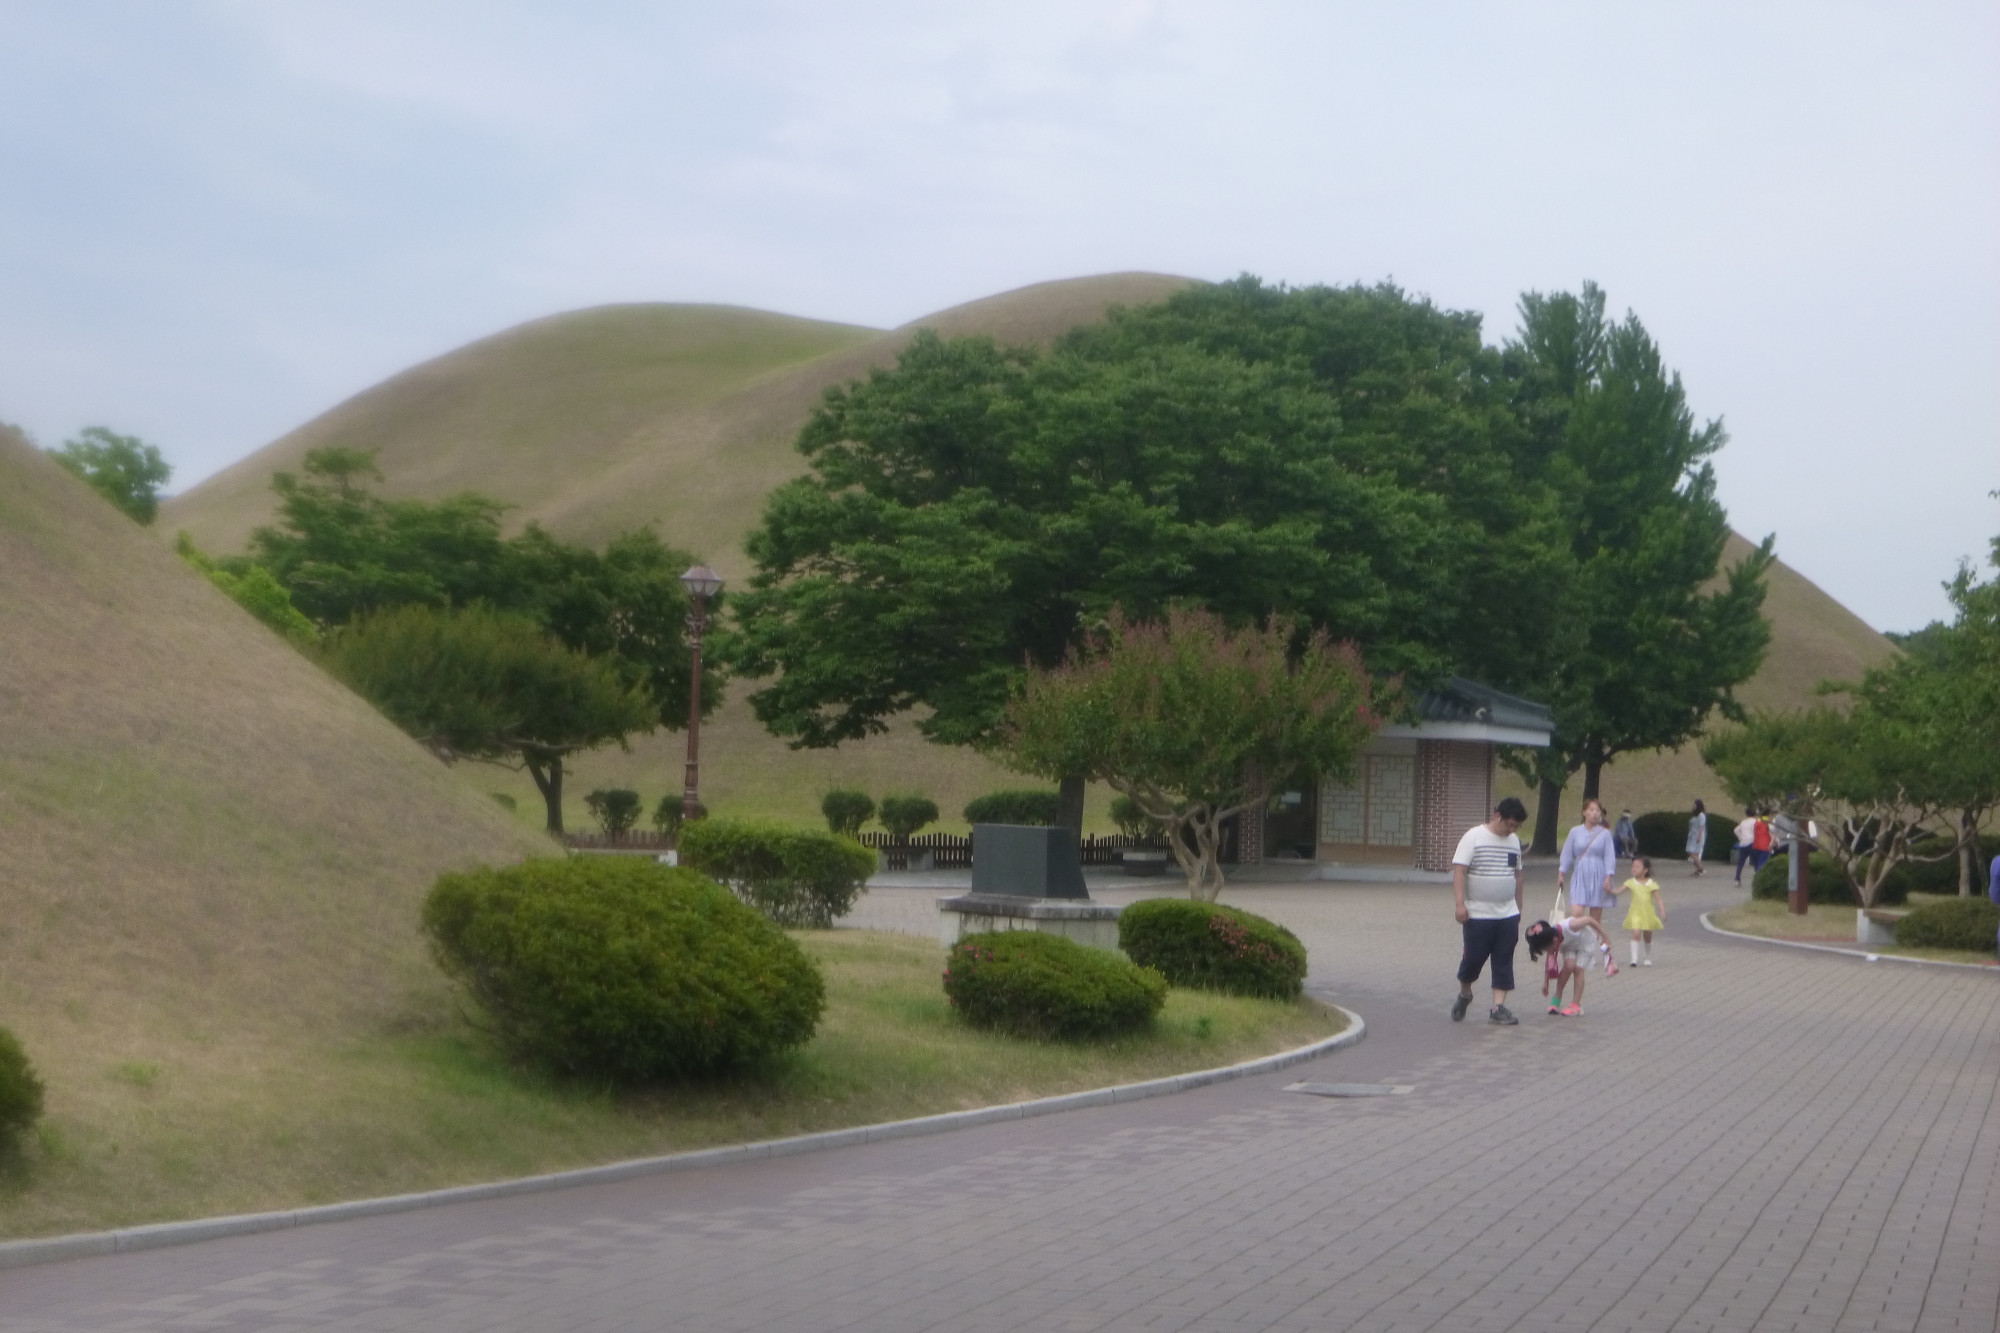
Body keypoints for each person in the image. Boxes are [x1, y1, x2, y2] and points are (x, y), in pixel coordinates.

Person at [1450, 796, 1528, 1026]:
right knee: (1473, 959)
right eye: (1509, 824)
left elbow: (1518, 875)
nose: (1511, 830)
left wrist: (1518, 906)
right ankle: (1465, 992)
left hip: (1507, 914)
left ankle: (1498, 1007)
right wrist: (1459, 904)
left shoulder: (1514, 841)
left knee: (1504, 959)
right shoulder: (1474, 837)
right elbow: (1460, 871)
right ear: (1498, 816)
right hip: (1478, 914)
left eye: (1516, 826)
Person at [1526, 913, 1618, 1016]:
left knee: (1578, 968)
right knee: (1568, 966)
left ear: (1555, 941)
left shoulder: (1570, 926)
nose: (1549, 951)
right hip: (1569, 946)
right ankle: (1557, 997)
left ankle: (1576, 1005)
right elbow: (1549, 963)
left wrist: (1605, 937)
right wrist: (1546, 982)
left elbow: (1589, 920)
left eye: (1547, 949)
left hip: (1585, 944)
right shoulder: (1549, 938)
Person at [1558, 798, 1619, 923]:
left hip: (1598, 872)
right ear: (1584, 812)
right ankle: (1581, 937)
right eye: (1591, 810)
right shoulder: (1575, 832)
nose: (1595, 813)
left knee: (1595, 916)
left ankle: (1593, 940)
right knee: (1577, 912)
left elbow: (1609, 856)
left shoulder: (1605, 833)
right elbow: (1567, 852)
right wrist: (1561, 872)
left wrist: (1608, 876)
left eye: (1598, 810)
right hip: (1580, 871)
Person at [1610, 855, 1667, 966]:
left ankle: (1647, 956)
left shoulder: (1651, 883)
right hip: (1635, 913)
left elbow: (1658, 899)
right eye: (1633, 867)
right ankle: (1634, 958)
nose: (1634, 869)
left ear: (1645, 870)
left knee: (1647, 936)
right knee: (1636, 933)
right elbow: (1618, 891)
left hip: (1648, 914)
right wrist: (1609, 890)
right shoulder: (1631, 882)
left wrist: (1662, 911)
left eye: (1637, 867)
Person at [1733, 810, 1759, 884]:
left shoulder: (1743, 822)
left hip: (1743, 843)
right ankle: (1757, 878)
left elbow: (1736, 830)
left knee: (1741, 862)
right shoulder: (1755, 821)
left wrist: (1741, 837)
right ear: (1754, 815)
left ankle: (1737, 879)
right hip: (1752, 842)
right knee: (1755, 862)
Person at [1686, 800, 1708, 877]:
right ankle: (1697, 870)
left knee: (1691, 851)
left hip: (1698, 836)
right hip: (1692, 836)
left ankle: (1701, 868)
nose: (1694, 806)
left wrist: (1699, 837)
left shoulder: (1702, 815)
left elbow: (1701, 827)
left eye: (1695, 805)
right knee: (1694, 854)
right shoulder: (1695, 815)